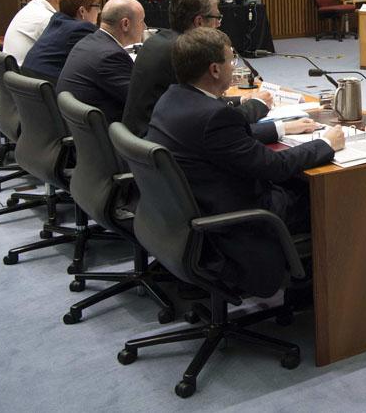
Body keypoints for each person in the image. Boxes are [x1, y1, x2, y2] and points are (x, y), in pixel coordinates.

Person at [146, 27, 344, 297]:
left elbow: (227, 138)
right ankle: (314, 289)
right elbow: (275, 166)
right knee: (331, 196)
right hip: (235, 219)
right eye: (231, 61)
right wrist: (325, 144)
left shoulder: (173, 98)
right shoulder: (214, 117)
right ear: (215, 70)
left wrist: (283, 129)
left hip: (189, 212)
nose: (234, 67)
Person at [122, 0, 272, 137]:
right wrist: (258, 105)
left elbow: (199, 102)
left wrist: (241, 100)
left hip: (141, 141)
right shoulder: (185, 53)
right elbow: (216, 122)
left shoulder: (157, 41)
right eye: (217, 18)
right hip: (164, 146)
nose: (218, 25)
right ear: (199, 21)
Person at [56, 0, 145, 123]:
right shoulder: (110, 57)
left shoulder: (89, 41)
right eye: (142, 21)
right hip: (105, 134)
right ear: (125, 24)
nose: (145, 27)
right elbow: (139, 101)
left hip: (80, 129)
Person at [22, 0, 102, 83]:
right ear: (82, 11)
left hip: (30, 82)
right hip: (50, 87)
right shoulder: (82, 29)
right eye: (97, 6)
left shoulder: (56, 20)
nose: (99, 11)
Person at [2, 0, 74, 65]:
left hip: (14, 75)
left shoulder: (32, 7)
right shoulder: (47, 18)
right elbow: (68, 52)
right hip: (26, 76)